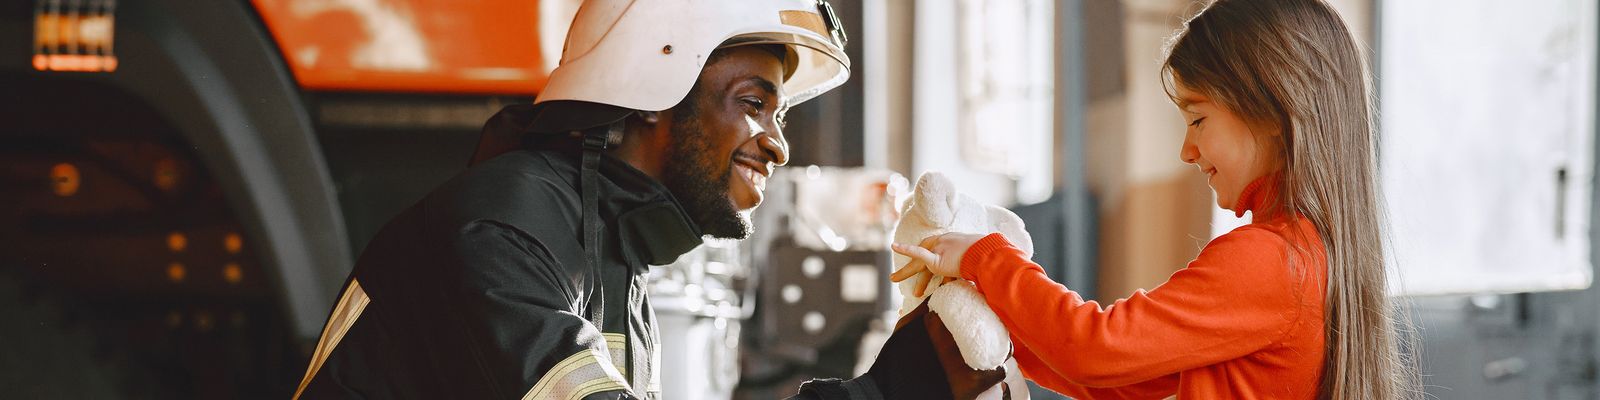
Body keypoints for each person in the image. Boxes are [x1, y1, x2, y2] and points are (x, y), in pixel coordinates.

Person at [293, 0, 1004, 399]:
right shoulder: (501, 229)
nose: (778, 144)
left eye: (779, 115)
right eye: (755, 104)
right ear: (652, 87)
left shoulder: (605, 253)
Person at [891, 0, 1419, 398]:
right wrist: (994, 322)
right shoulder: (1310, 256)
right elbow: (1117, 381)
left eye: (1198, 119)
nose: (1187, 149)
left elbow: (1096, 349)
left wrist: (987, 257)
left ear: (1274, 115)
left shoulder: (1270, 260)